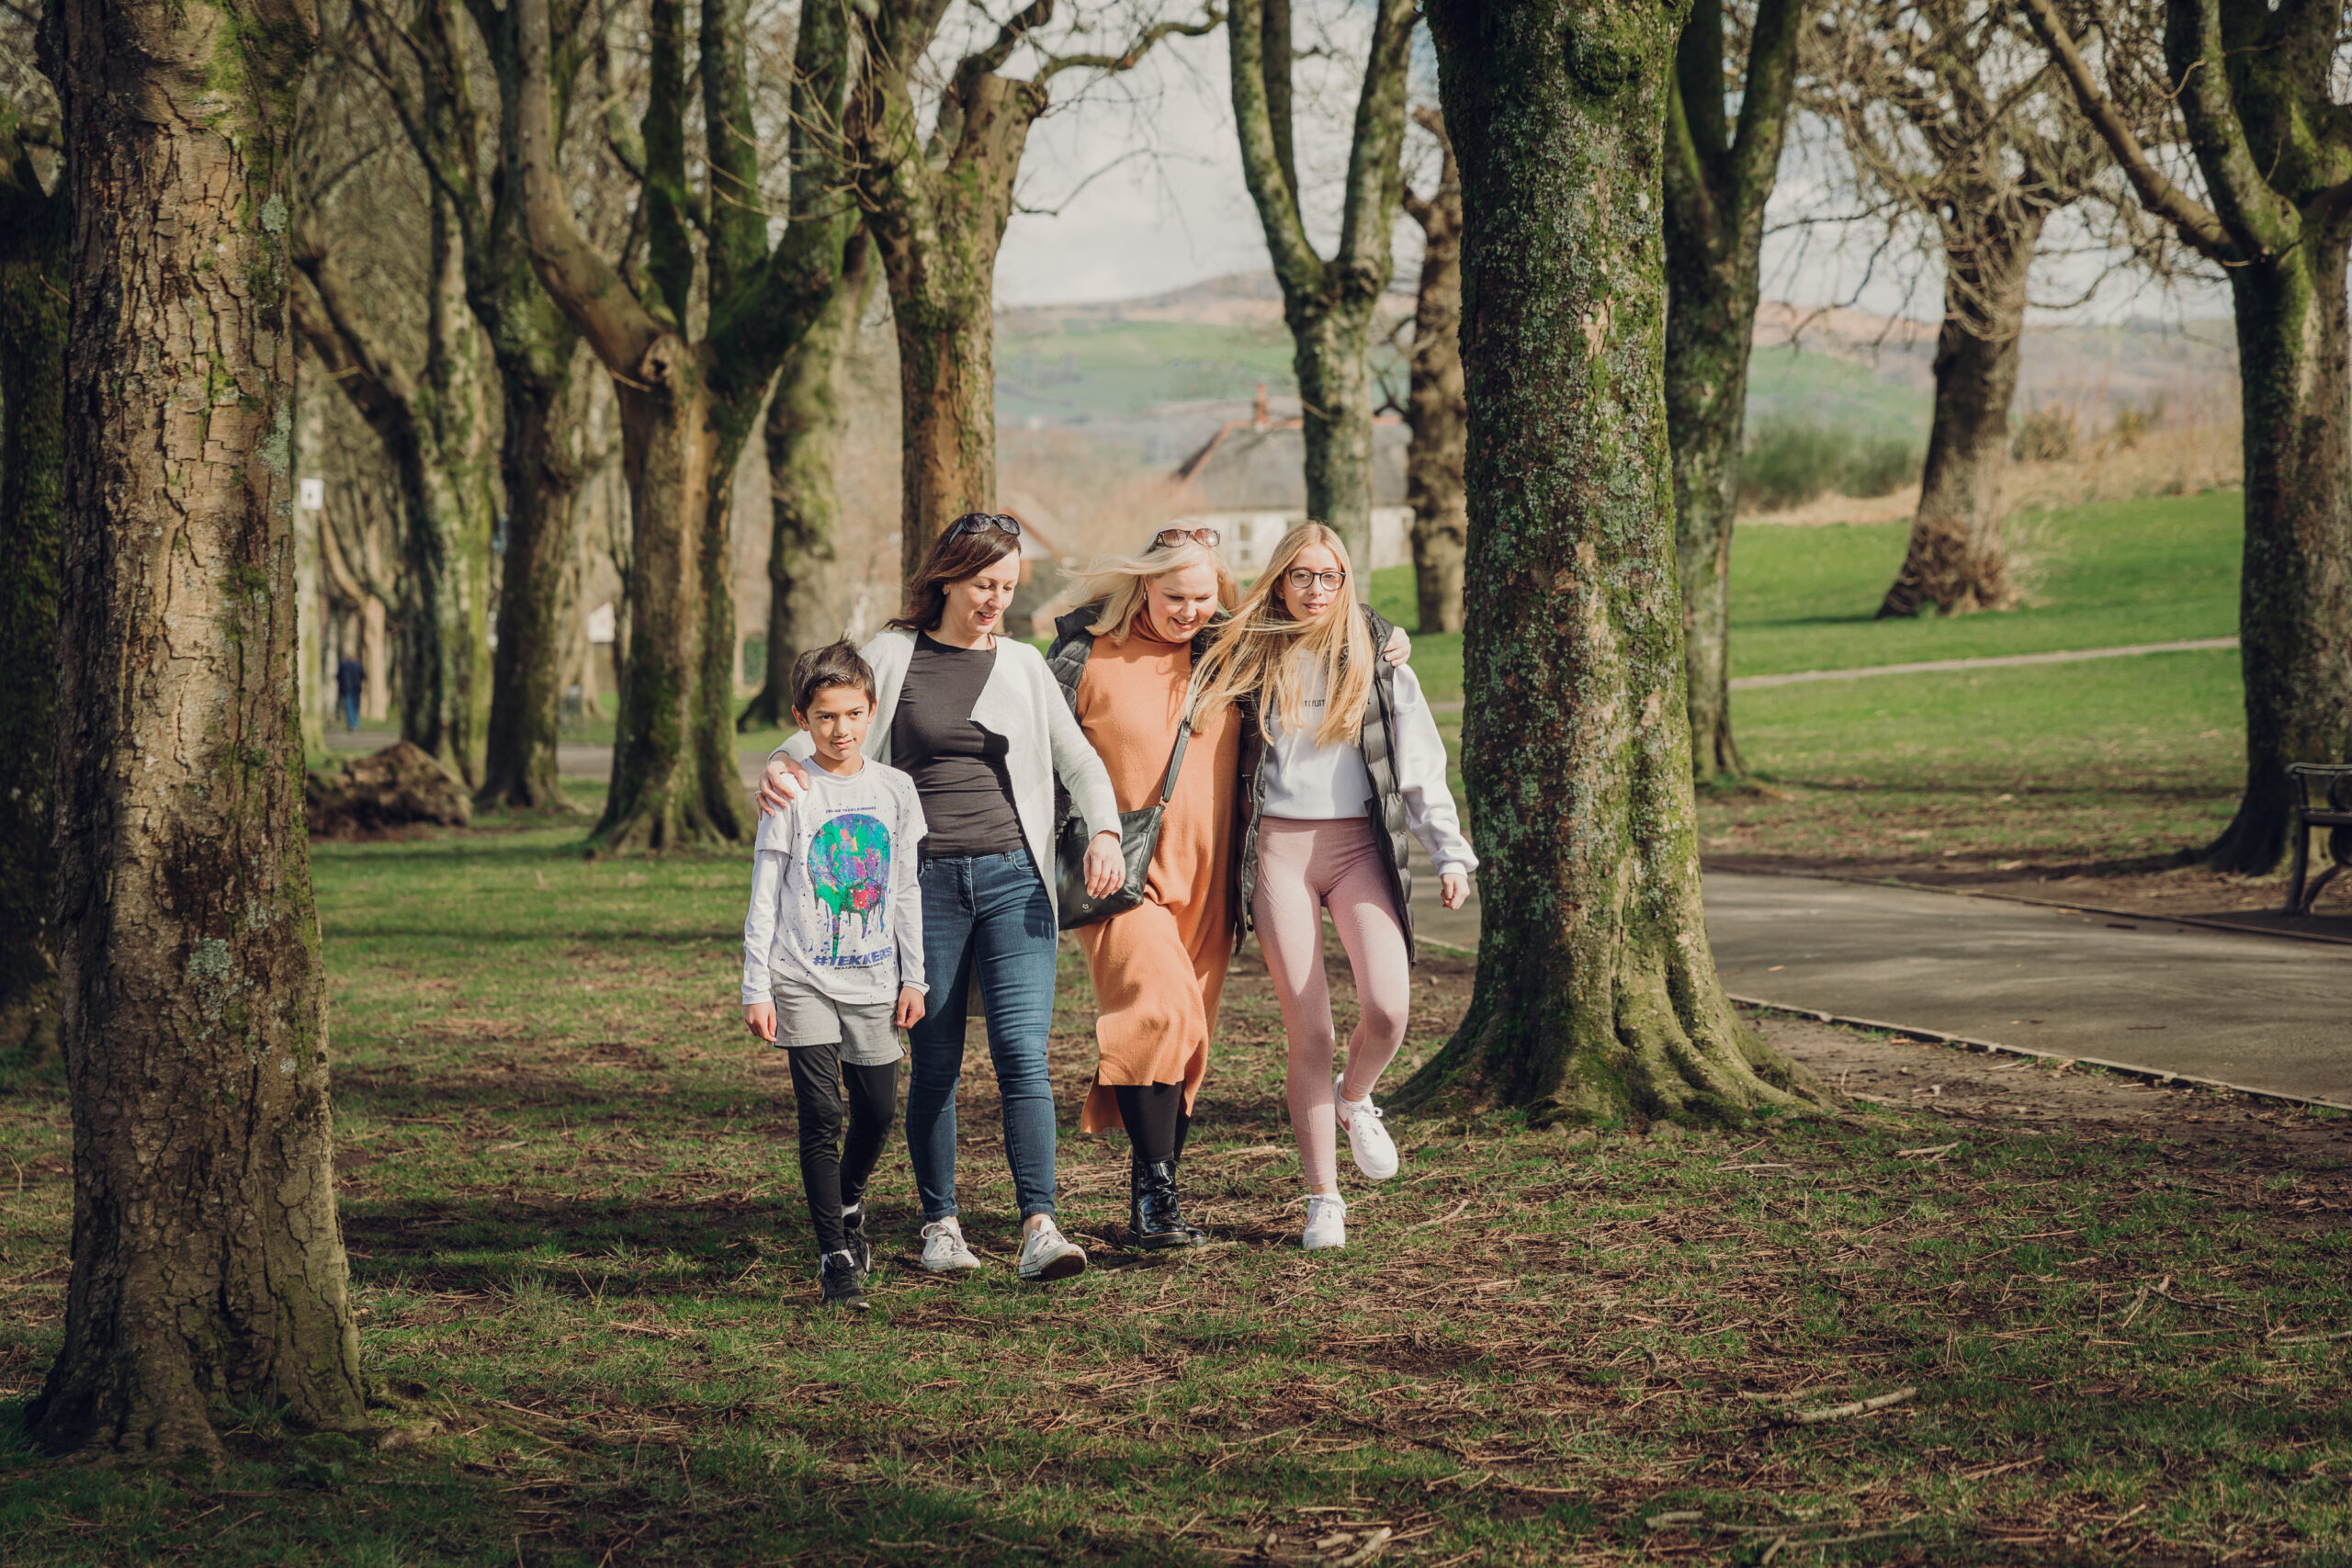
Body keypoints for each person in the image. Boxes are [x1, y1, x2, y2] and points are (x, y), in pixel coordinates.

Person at [759, 513, 1124, 1283]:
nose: (996, 600)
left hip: (1016, 880)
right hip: (921, 886)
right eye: (985, 583)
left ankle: (1039, 1225)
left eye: (1008, 587)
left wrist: (1105, 833)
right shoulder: (895, 653)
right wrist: (778, 765)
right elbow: (829, 719)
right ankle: (941, 1224)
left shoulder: (1023, 665)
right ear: (949, 577)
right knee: (935, 1061)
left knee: (1023, 1055)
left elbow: (1082, 762)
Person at [1047, 527, 1417, 1250]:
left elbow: (1313, 622)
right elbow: (1040, 752)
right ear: (1144, 585)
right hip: (1121, 876)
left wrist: (1384, 634)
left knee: (1187, 1035)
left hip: (1210, 880)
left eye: (1203, 597)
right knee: (1158, 1009)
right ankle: (1155, 1199)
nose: (1189, 610)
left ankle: (1155, 1197)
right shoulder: (1084, 654)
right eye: (1174, 596)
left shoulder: (1229, 650)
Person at [1192, 523, 1476, 1254]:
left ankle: (1355, 1097)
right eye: (1301, 575)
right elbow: (1182, 618)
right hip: (1279, 853)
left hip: (1357, 849)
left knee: (1389, 1007)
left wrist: (1450, 852)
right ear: (1280, 581)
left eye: (1329, 576)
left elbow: (1420, 764)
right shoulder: (1249, 651)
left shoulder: (1378, 657)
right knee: (1311, 1032)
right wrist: (1192, 549)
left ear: (1346, 582)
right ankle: (1324, 1197)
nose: (1315, 589)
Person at [741, 642, 927, 1312]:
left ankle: (849, 1200)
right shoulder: (791, 790)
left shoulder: (896, 790)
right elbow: (765, 890)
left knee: (877, 1112)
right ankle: (835, 1260)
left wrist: (915, 977)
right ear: (802, 718)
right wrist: (756, 985)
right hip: (802, 976)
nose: (840, 728)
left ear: (872, 710)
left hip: (876, 979)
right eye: (824, 716)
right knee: (821, 1113)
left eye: (852, 713)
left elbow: (904, 888)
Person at [336, 653, 366, 731]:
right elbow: (363, 676)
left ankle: (351, 724)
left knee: (349, 707)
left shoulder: (343, 665)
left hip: (346, 689)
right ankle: (355, 723)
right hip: (356, 688)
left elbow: (338, 677)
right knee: (355, 706)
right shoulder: (358, 665)